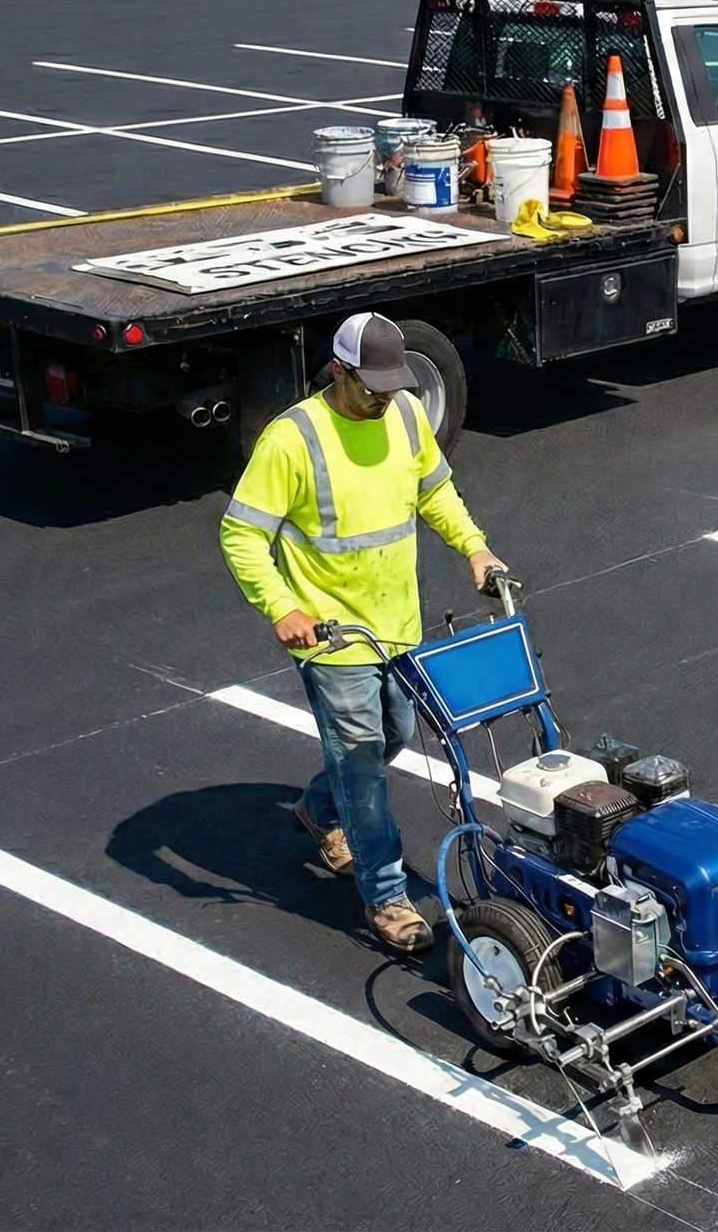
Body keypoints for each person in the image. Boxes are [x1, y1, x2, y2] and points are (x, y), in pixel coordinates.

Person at [220, 312, 506, 953]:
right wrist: (281, 606)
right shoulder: (293, 439)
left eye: (392, 383)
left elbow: (435, 490)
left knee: (395, 734)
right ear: (339, 371)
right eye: (371, 384)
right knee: (362, 760)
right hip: (330, 634)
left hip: (396, 622)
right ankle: (387, 896)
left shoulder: (404, 415)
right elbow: (241, 533)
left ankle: (321, 808)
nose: (384, 396)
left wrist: (475, 550)